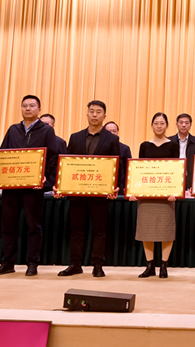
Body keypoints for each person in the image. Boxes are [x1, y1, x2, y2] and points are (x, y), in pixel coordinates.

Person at [0, 95, 62, 276]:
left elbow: (52, 156)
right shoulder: (13, 129)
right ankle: (8, 262)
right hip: (11, 186)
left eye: (32, 105)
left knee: (33, 226)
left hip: (33, 187)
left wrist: (44, 176)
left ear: (39, 109)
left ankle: (32, 263)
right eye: (24, 106)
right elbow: (2, 154)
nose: (28, 109)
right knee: (8, 225)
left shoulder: (46, 130)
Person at [57, 101, 120, 278]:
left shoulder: (112, 139)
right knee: (76, 230)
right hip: (77, 192)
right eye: (91, 111)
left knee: (99, 230)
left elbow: (117, 164)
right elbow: (67, 163)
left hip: (100, 193)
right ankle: (75, 264)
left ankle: (97, 265)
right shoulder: (75, 137)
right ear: (87, 114)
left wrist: (114, 187)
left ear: (104, 116)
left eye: (98, 112)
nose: (94, 115)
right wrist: (62, 184)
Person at [129, 113, 180, 279]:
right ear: (152, 125)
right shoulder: (144, 145)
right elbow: (139, 170)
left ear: (167, 126)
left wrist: (174, 191)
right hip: (147, 195)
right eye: (156, 123)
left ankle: (164, 266)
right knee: (147, 230)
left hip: (166, 196)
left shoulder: (173, 145)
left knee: (166, 231)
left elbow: (176, 169)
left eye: (162, 123)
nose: (159, 126)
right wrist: (134, 191)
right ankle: (150, 266)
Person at [168, 113, 195, 192]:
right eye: (181, 122)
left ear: (190, 125)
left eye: (186, 123)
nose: (183, 125)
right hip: (173, 178)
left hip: (190, 179)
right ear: (177, 124)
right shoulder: (169, 141)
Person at [105, 121, 132, 193]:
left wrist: (126, 187)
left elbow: (128, 170)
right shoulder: (100, 148)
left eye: (114, 131)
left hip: (120, 189)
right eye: (109, 131)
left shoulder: (125, 148)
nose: (112, 133)